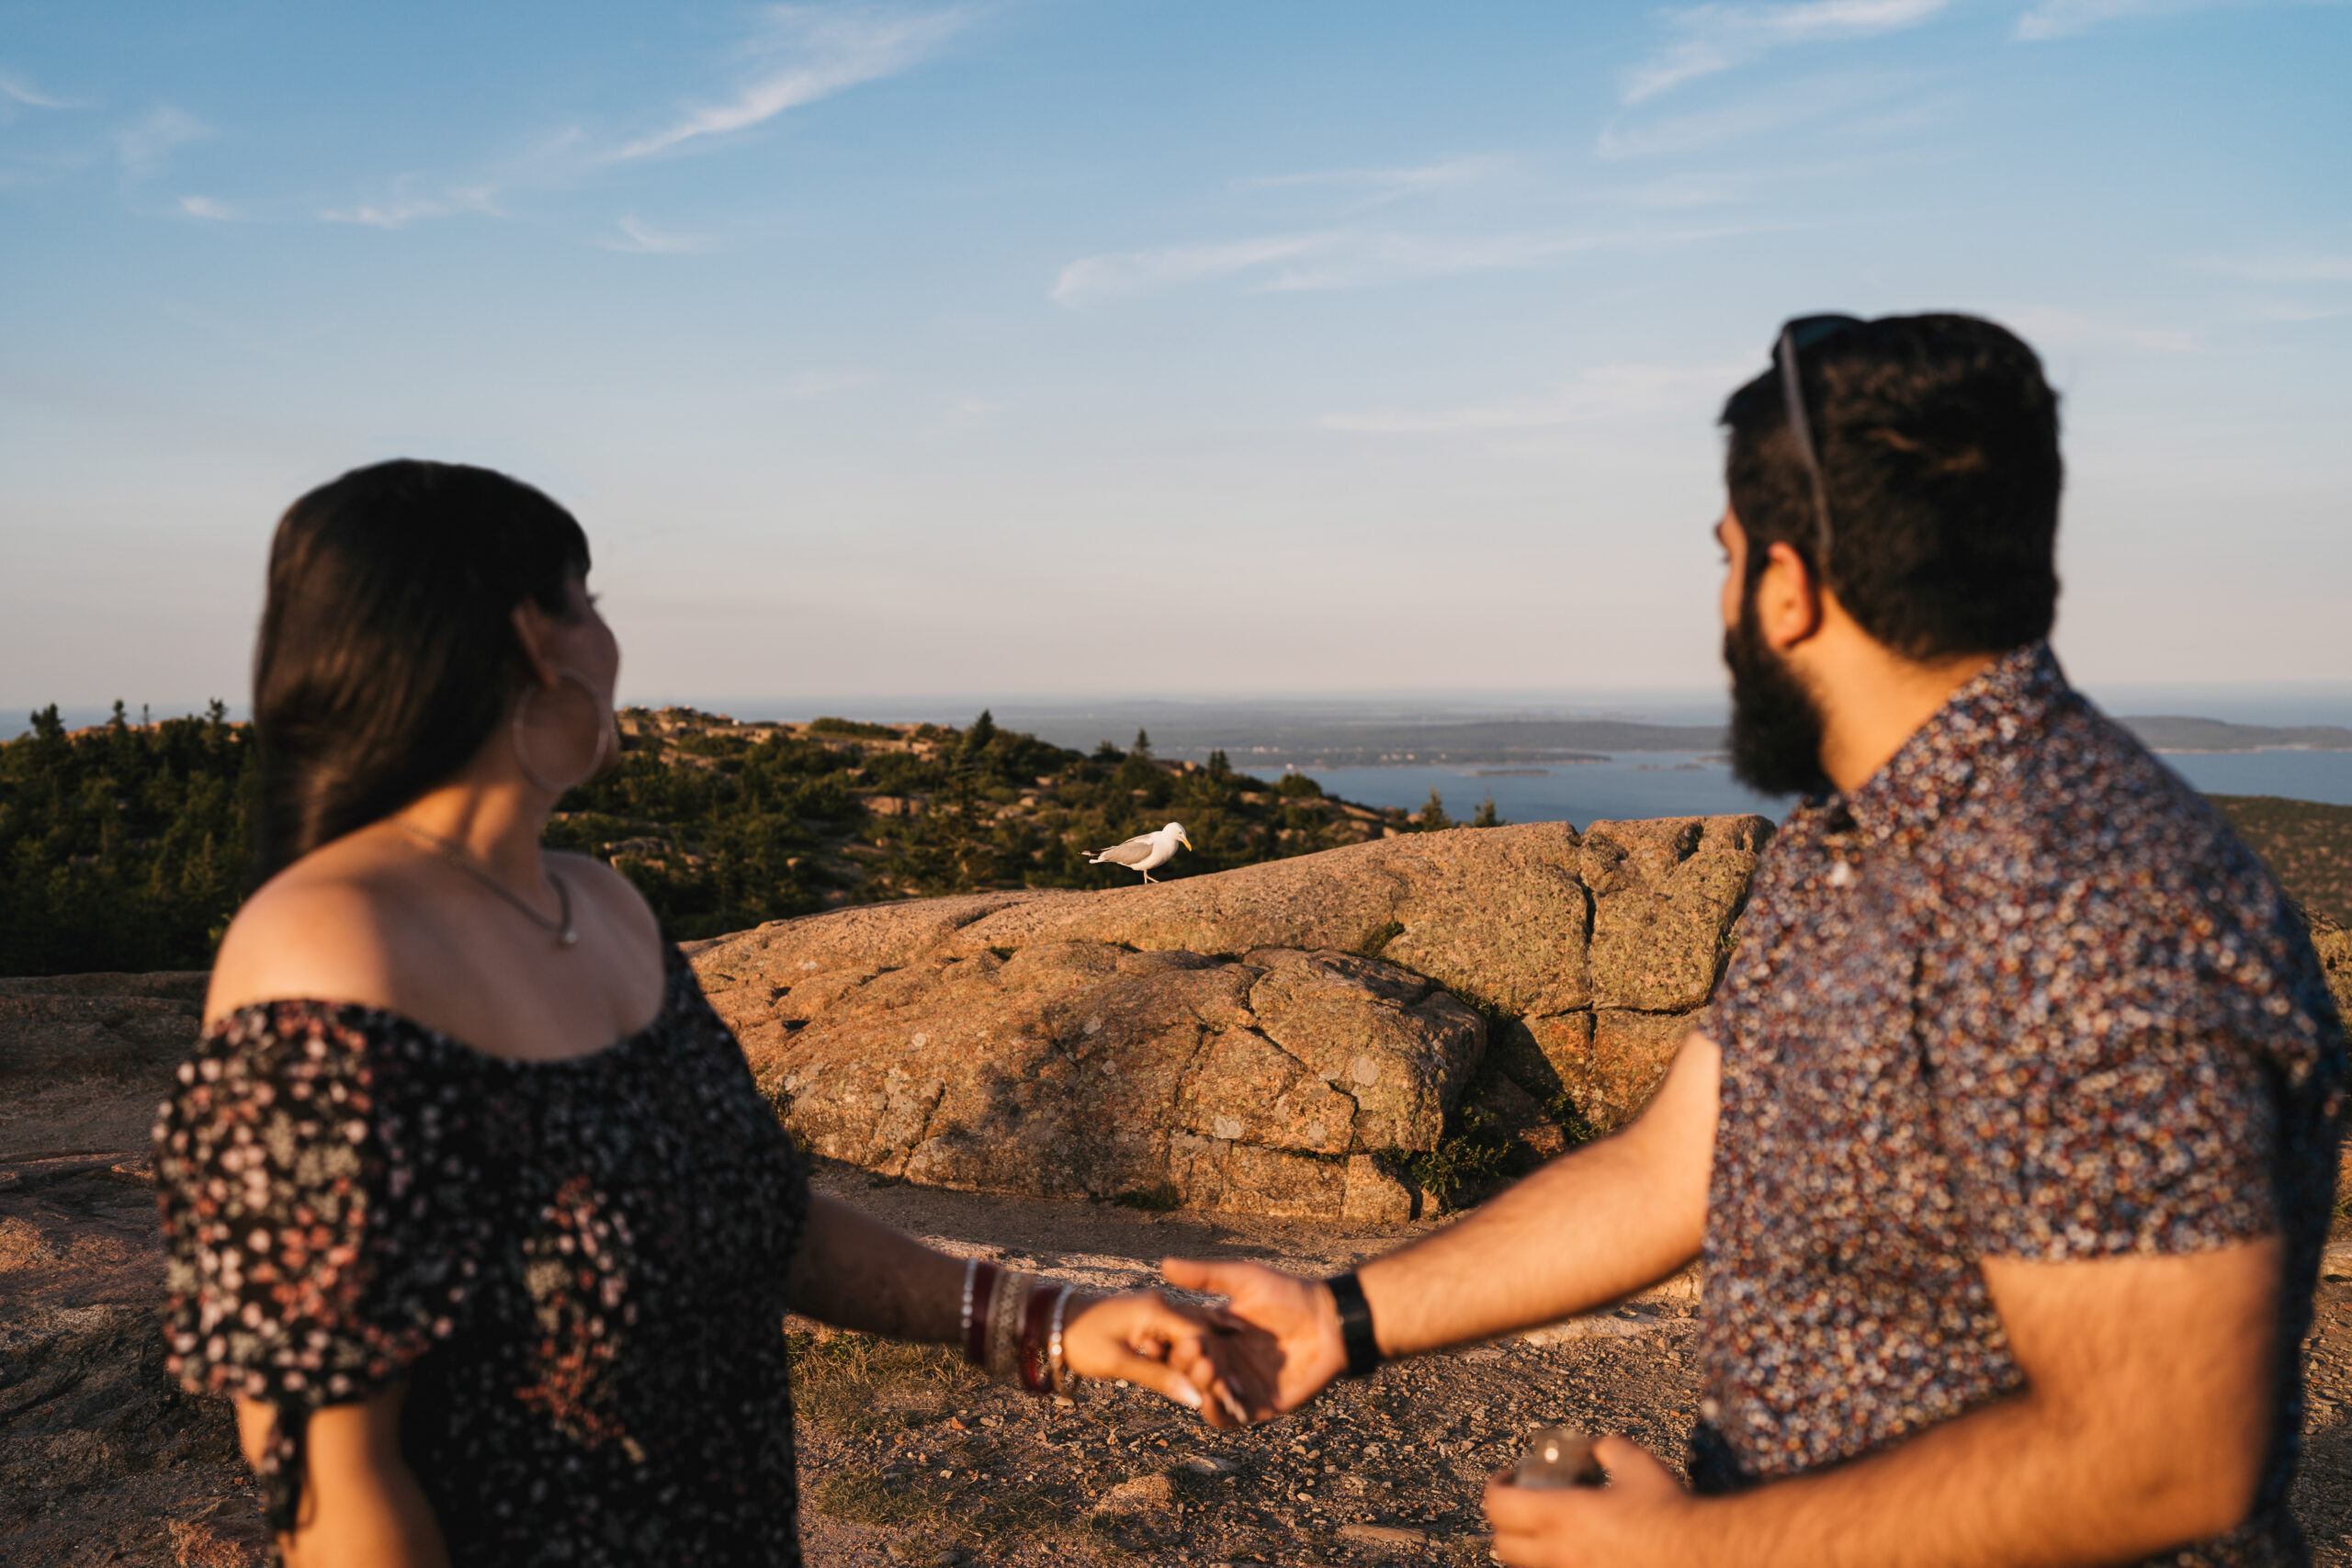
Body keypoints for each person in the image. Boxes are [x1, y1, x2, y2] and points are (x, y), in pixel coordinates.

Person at [1169, 313, 2346, 1567]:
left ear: (1789, 587)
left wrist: (1696, 1549)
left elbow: (2166, 1454)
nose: (1723, 600)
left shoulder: (2081, 896)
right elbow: (1677, 1168)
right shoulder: (1861, 845)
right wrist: (1342, 1316)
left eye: (1727, 558)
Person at [153, 459, 1258, 1568]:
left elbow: (756, 1215)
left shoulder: (603, 908)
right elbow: (335, 1481)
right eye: (587, 601)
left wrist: (1048, 1318)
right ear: (530, 638)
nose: (612, 644)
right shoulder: (329, 947)